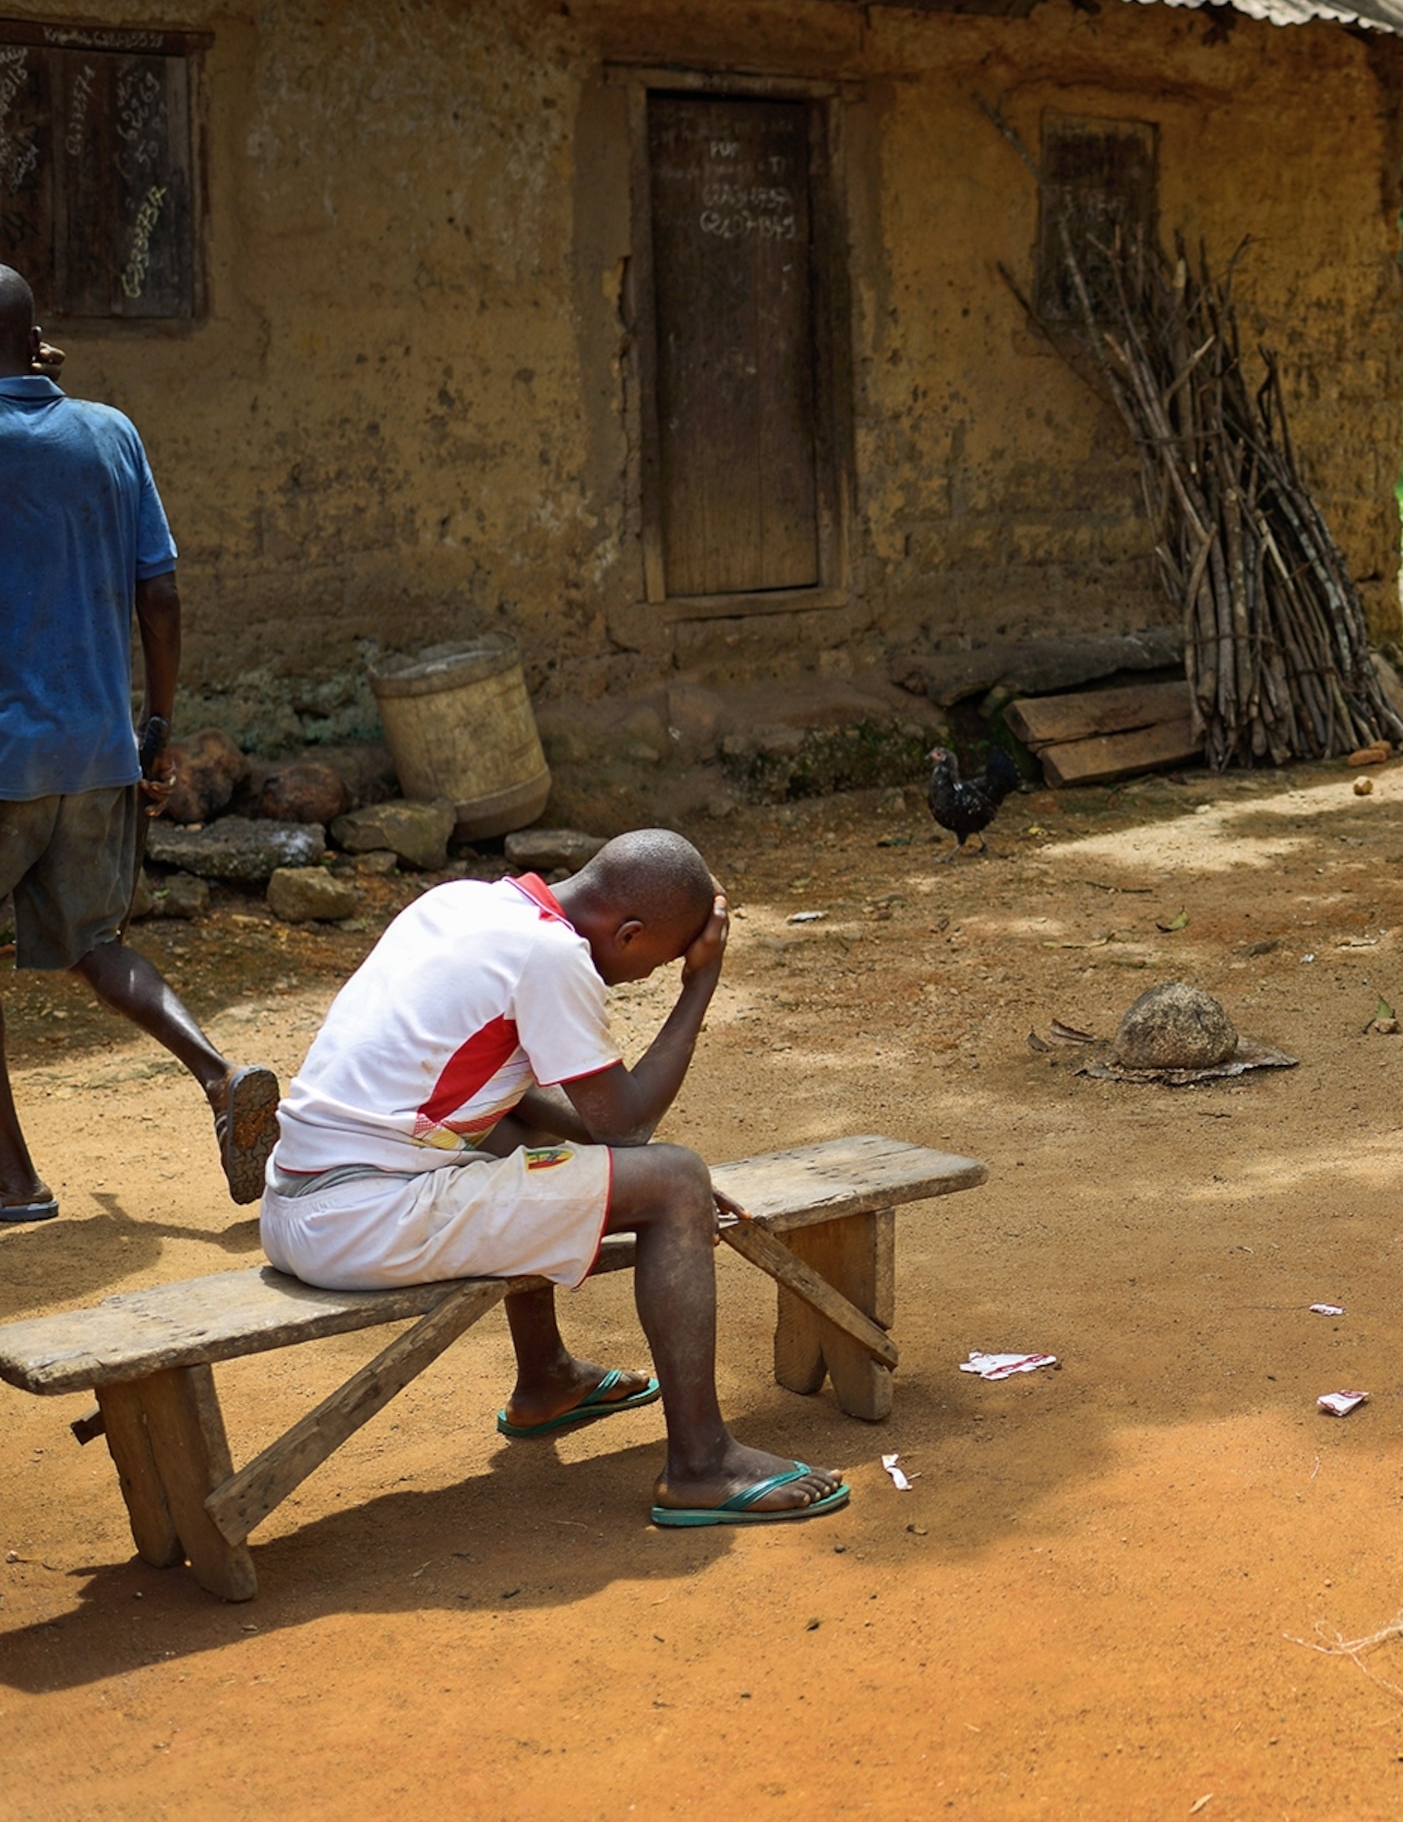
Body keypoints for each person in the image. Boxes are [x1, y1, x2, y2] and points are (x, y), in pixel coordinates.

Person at [258, 830, 847, 1526]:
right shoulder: (551, 955)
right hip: (362, 1217)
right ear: (628, 933)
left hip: (300, 1204)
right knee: (679, 1178)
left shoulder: (465, 904)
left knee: (535, 1137)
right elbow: (625, 1126)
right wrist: (700, 985)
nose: (651, 976)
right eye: (658, 963)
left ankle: (546, 1378)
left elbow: (514, 1104)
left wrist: (622, 1173)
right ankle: (702, 1463)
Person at [1, 266, 278, 1225]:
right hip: (93, 748)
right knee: (96, 941)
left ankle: (14, 1180)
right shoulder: (108, 433)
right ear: (35, 341)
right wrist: (155, 731)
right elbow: (158, 593)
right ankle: (220, 1072)